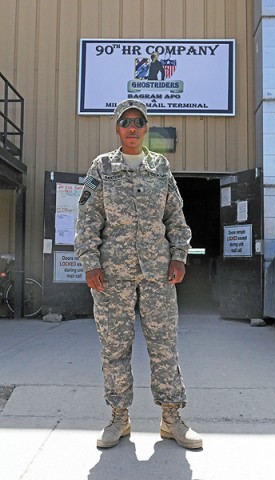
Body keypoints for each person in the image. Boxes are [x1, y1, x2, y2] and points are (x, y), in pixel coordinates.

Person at [74, 99, 202, 450]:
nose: (132, 127)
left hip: (158, 274)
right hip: (111, 276)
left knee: (165, 347)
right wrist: (90, 262)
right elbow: (88, 219)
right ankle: (119, 417)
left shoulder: (160, 167)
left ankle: (171, 418)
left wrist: (179, 256)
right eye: (125, 122)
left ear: (146, 128)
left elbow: (175, 217)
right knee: (114, 348)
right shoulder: (102, 167)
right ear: (117, 128)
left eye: (139, 122)